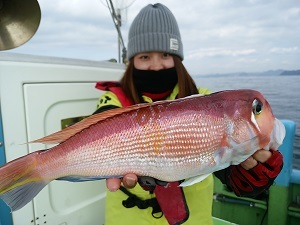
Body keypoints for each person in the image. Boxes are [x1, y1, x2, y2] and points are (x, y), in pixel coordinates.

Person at [93, 3, 283, 225]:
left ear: (177, 58)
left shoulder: (204, 99)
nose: (156, 66)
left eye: (165, 54)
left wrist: (246, 176)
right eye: (144, 56)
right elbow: (102, 123)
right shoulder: (113, 100)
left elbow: (224, 165)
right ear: (131, 60)